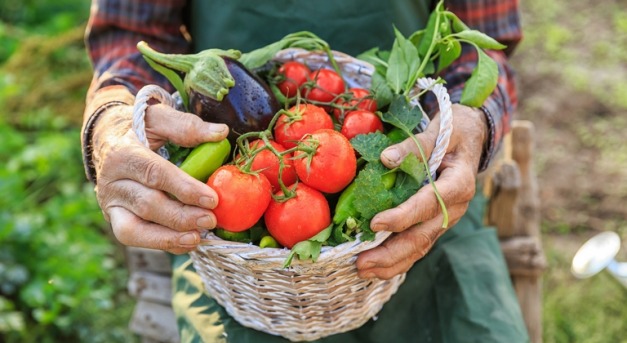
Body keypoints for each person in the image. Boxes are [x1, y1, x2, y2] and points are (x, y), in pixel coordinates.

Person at [82, 0, 528, 342]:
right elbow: (130, 34)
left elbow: (487, 45)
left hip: (425, 193)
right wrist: (113, 122)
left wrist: (469, 124)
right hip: (237, 270)